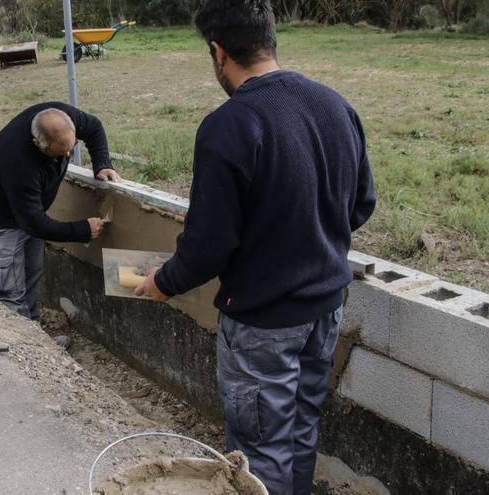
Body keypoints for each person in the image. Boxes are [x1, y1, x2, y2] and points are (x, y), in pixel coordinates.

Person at [133, 1, 376, 494]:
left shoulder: (230, 125)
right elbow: (362, 204)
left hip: (263, 322)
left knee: (260, 449)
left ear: (218, 52)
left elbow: (209, 245)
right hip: (325, 309)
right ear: (270, 39)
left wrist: (163, 282)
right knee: (301, 431)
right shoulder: (335, 105)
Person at [0, 102, 120, 320]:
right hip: (3, 220)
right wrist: (82, 230)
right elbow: (34, 223)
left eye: (71, 147)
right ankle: (19, 348)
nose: (67, 154)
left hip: (30, 212)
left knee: (32, 273)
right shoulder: (18, 162)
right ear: (37, 143)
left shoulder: (63, 118)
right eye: (59, 153)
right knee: (9, 291)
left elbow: (94, 127)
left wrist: (103, 164)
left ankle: (33, 332)